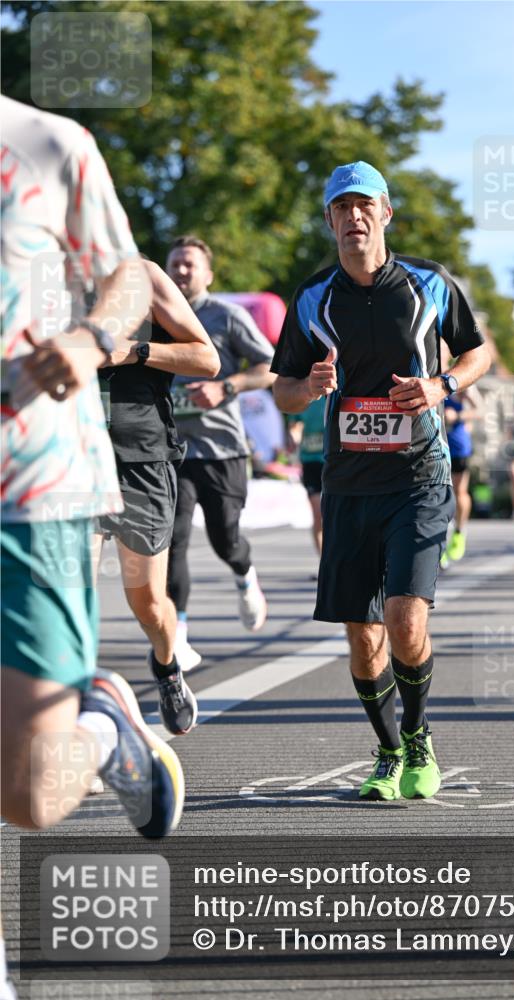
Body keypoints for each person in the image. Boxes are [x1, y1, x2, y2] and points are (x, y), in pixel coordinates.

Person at [1, 96, 184, 956]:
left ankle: (105, 726)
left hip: (31, 483)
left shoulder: (46, 142)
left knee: (29, 798)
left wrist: (87, 341)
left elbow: (128, 277)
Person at [271, 161, 489, 801]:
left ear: (386, 213)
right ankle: (388, 751)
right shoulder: (312, 298)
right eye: (342, 208)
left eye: (365, 206)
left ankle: (419, 739)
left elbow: (474, 352)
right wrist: (306, 387)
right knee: (363, 640)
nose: (354, 217)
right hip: (347, 485)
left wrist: (440, 384)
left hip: (418, 477)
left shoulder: (429, 284)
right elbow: (281, 389)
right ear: (330, 221)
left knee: (403, 618)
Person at [93, 261, 220, 731]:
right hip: (70, 463)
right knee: (68, 599)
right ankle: (75, 726)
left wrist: (134, 351)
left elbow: (206, 359)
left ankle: (167, 665)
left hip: (141, 459)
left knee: (146, 600)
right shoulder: (37, 279)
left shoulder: (140, 276)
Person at [165, 236, 276, 670]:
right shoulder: (155, 318)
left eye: (190, 264)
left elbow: (270, 368)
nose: (181, 270)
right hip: (171, 451)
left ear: (207, 274)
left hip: (221, 449)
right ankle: (180, 636)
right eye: (175, 263)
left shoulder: (226, 317)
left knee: (224, 538)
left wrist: (225, 386)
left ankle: (244, 574)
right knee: (172, 541)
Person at [439, 383, 484, 568]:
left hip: (457, 448)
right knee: (437, 495)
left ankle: (459, 532)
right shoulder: (426, 370)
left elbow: (480, 410)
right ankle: (439, 544)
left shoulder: (457, 378)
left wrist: (457, 416)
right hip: (434, 445)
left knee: (459, 492)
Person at [287, 394, 327, 562]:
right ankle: (323, 562)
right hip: (310, 462)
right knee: (318, 513)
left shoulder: (332, 397)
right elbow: (294, 425)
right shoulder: (302, 394)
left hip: (332, 461)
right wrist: (293, 436)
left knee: (335, 513)